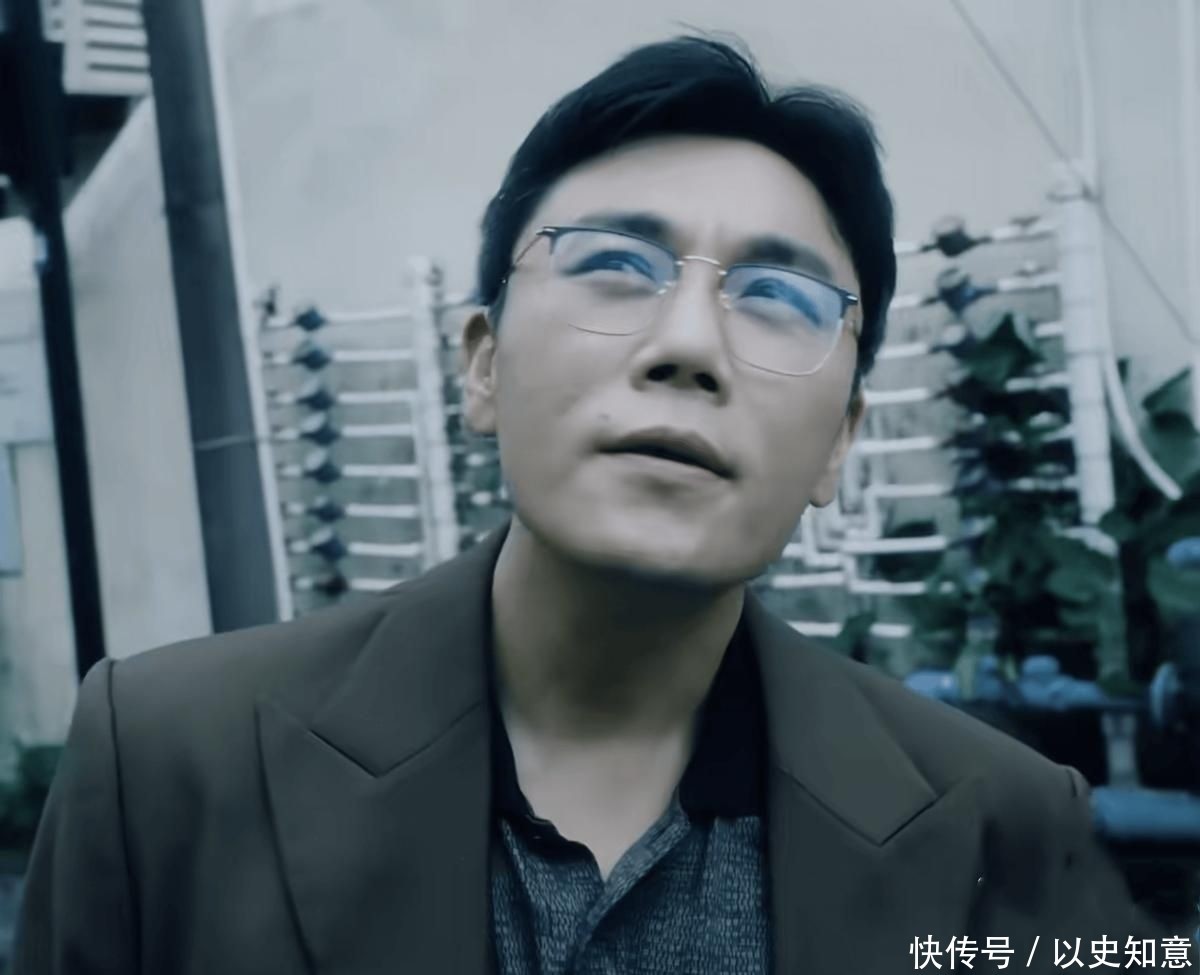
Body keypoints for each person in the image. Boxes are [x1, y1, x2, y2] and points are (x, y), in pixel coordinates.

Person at [13, 34, 1187, 975]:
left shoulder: (1006, 826)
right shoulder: (164, 767)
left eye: (778, 295)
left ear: (841, 439)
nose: (689, 345)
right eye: (617, 266)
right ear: (483, 365)